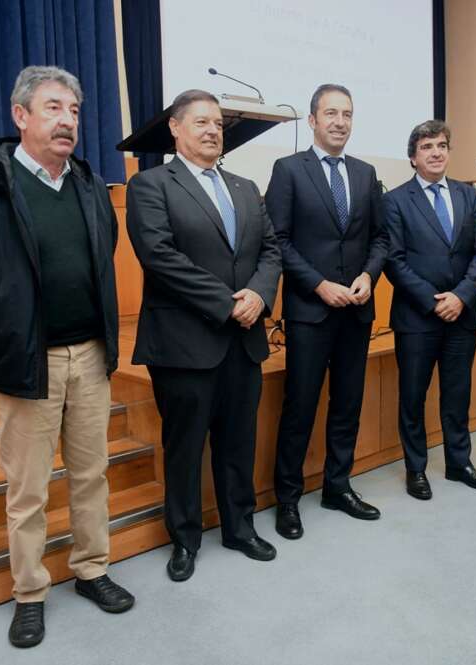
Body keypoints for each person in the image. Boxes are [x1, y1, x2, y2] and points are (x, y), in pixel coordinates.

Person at [0, 65, 133, 649]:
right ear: (20, 116)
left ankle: (92, 568)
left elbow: (103, 257)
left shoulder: (92, 186)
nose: (67, 120)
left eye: (73, 110)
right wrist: (2, 330)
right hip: (28, 363)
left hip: (91, 356)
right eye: (52, 108)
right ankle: (29, 592)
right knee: (27, 488)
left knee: (92, 473)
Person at [125, 89, 282, 581]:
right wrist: (226, 304)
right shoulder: (150, 185)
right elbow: (159, 255)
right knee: (185, 446)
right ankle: (185, 539)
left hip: (245, 338)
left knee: (238, 442)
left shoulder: (244, 185)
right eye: (201, 122)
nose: (213, 130)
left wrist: (257, 295)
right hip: (184, 342)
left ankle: (239, 527)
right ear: (175, 128)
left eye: (218, 123)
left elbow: (271, 250)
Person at [265, 84, 389, 539]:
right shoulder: (288, 170)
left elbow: (380, 237)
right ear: (313, 120)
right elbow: (277, 240)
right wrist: (319, 284)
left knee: (348, 405)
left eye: (348, 114)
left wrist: (369, 276)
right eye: (331, 113)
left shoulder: (365, 172)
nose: (340, 121)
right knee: (300, 407)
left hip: (356, 310)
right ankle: (288, 499)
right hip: (309, 313)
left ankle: (338, 485)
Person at [383, 120, 476, 501]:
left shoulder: (468, 196)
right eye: (427, 146)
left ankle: (458, 463)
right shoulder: (395, 201)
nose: (436, 152)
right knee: (413, 396)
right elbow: (394, 261)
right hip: (417, 317)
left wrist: (461, 297)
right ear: (413, 156)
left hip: (461, 315)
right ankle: (416, 468)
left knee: (457, 392)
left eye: (442, 145)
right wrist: (435, 301)